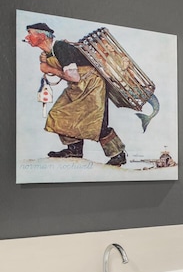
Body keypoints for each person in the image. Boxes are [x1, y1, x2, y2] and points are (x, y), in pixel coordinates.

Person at [23, 23, 127, 166]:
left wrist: (49, 69)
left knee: (95, 122)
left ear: (41, 36)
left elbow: (74, 76)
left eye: (30, 33)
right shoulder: (50, 51)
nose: (27, 37)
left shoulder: (61, 47)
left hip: (91, 85)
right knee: (59, 114)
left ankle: (118, 154)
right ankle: (74, 149)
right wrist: (46, 66)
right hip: (77, 87)